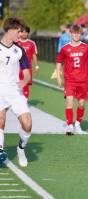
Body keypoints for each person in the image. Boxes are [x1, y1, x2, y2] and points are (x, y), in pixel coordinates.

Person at [56, 24, 88, 135]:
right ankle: (70, 126)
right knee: (69, 102)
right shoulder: (65, 48)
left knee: (81, 104)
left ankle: (77, 123)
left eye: (78, 33)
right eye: (74, 33)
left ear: (81, 34)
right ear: (70, 34)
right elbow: (58, 62)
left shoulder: (86, 47)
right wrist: (58, 76)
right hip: (70, 81)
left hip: (82, 81)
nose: (76, 35)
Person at [0, 17, 32, 167]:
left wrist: (24, 81)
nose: (20, 34)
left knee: (27, 124)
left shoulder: (19, 50)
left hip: (14, 90)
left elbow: (27, 74)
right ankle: (0, 150)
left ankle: (21, 148)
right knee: (0, 119)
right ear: (10, 30)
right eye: (18, 31)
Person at [17, 25, 39, 99]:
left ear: (28, 33)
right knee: (16, 85)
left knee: (26, 85)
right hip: (16, 68)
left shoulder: (31, 43)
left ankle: (24, 102)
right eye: (22, 32)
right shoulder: (15, 43)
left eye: (26, 32)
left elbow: (34, 55)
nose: (24, 33)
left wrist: (36, 66)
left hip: (27, 68)